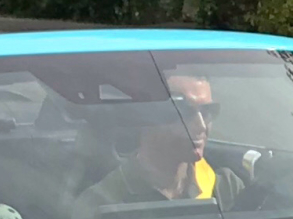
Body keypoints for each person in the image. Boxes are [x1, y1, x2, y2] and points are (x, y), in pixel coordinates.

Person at [82, 74, 246, 211]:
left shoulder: (226, 188)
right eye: (183, 111)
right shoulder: (102, 205)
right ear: (144, 117)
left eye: (208, 111)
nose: (201, 125)